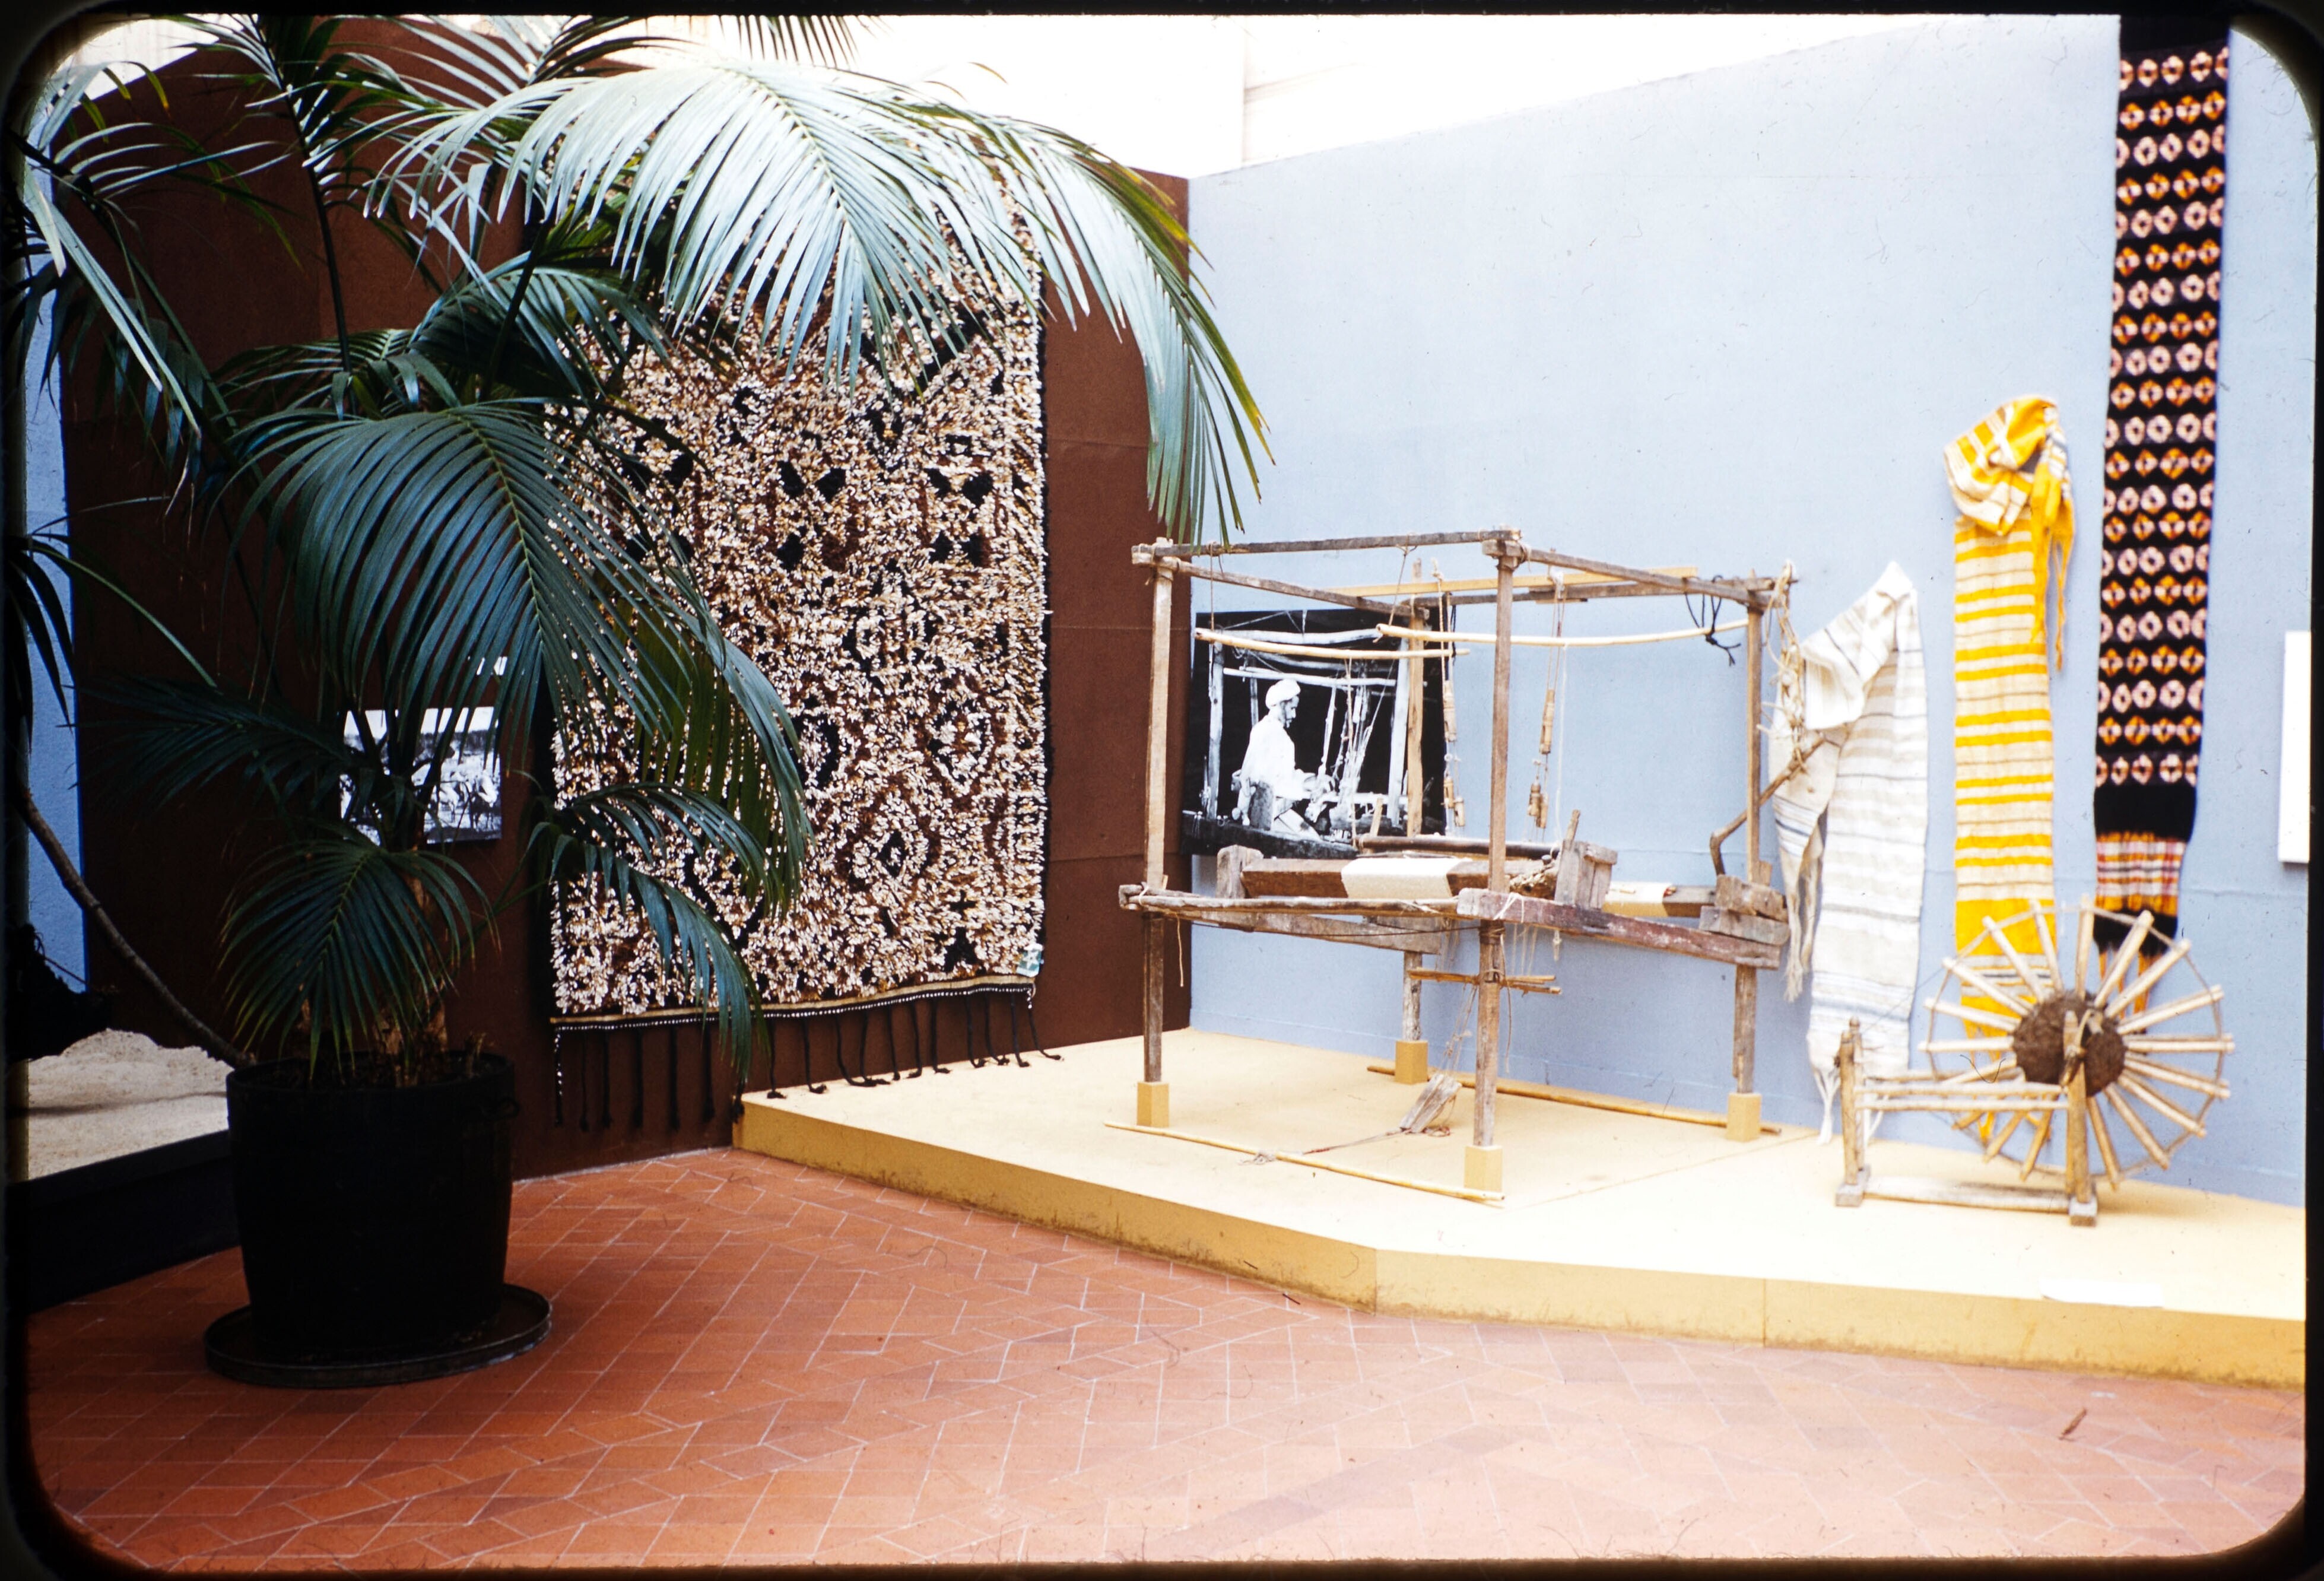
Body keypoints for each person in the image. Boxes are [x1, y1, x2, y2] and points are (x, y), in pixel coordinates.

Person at [1233, 678, 1310, 831]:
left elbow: (1283, 774)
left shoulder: (1280, 735)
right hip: (1264, 814)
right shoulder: (1265, 731)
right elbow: (1253, 776)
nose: (1294, 715)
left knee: (1310, 834)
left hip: (1278, 809)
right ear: (1282, 705)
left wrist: (1305, 780)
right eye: (1292, 708)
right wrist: (1244, 811)